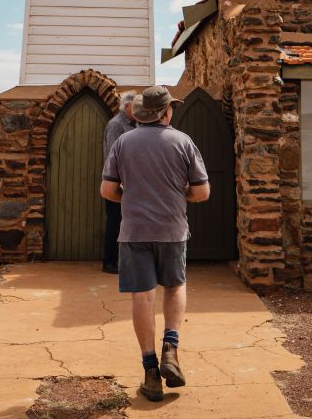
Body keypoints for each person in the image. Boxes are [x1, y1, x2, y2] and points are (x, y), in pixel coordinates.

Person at [100, 85, 210, 403]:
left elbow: (107, 191)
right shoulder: (183, 142)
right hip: (172, 229)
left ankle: (150, 372)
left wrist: (131, 197)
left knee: (142, 296)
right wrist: (178, 195)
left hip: (134, 231)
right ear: (166, 112)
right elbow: (201, 192)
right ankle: (170, 350)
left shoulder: (123, 142)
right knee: (174, 287)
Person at [101, 91, 136, 274]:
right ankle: (109, 262)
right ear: (127, 107)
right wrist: (119, 181)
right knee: (115, 221)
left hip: (131, 182)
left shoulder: (134, 124)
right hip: (117, 182)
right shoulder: (116, 125)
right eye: (136, 106)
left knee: (127, 222)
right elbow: (113, 155)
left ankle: (125, 260)